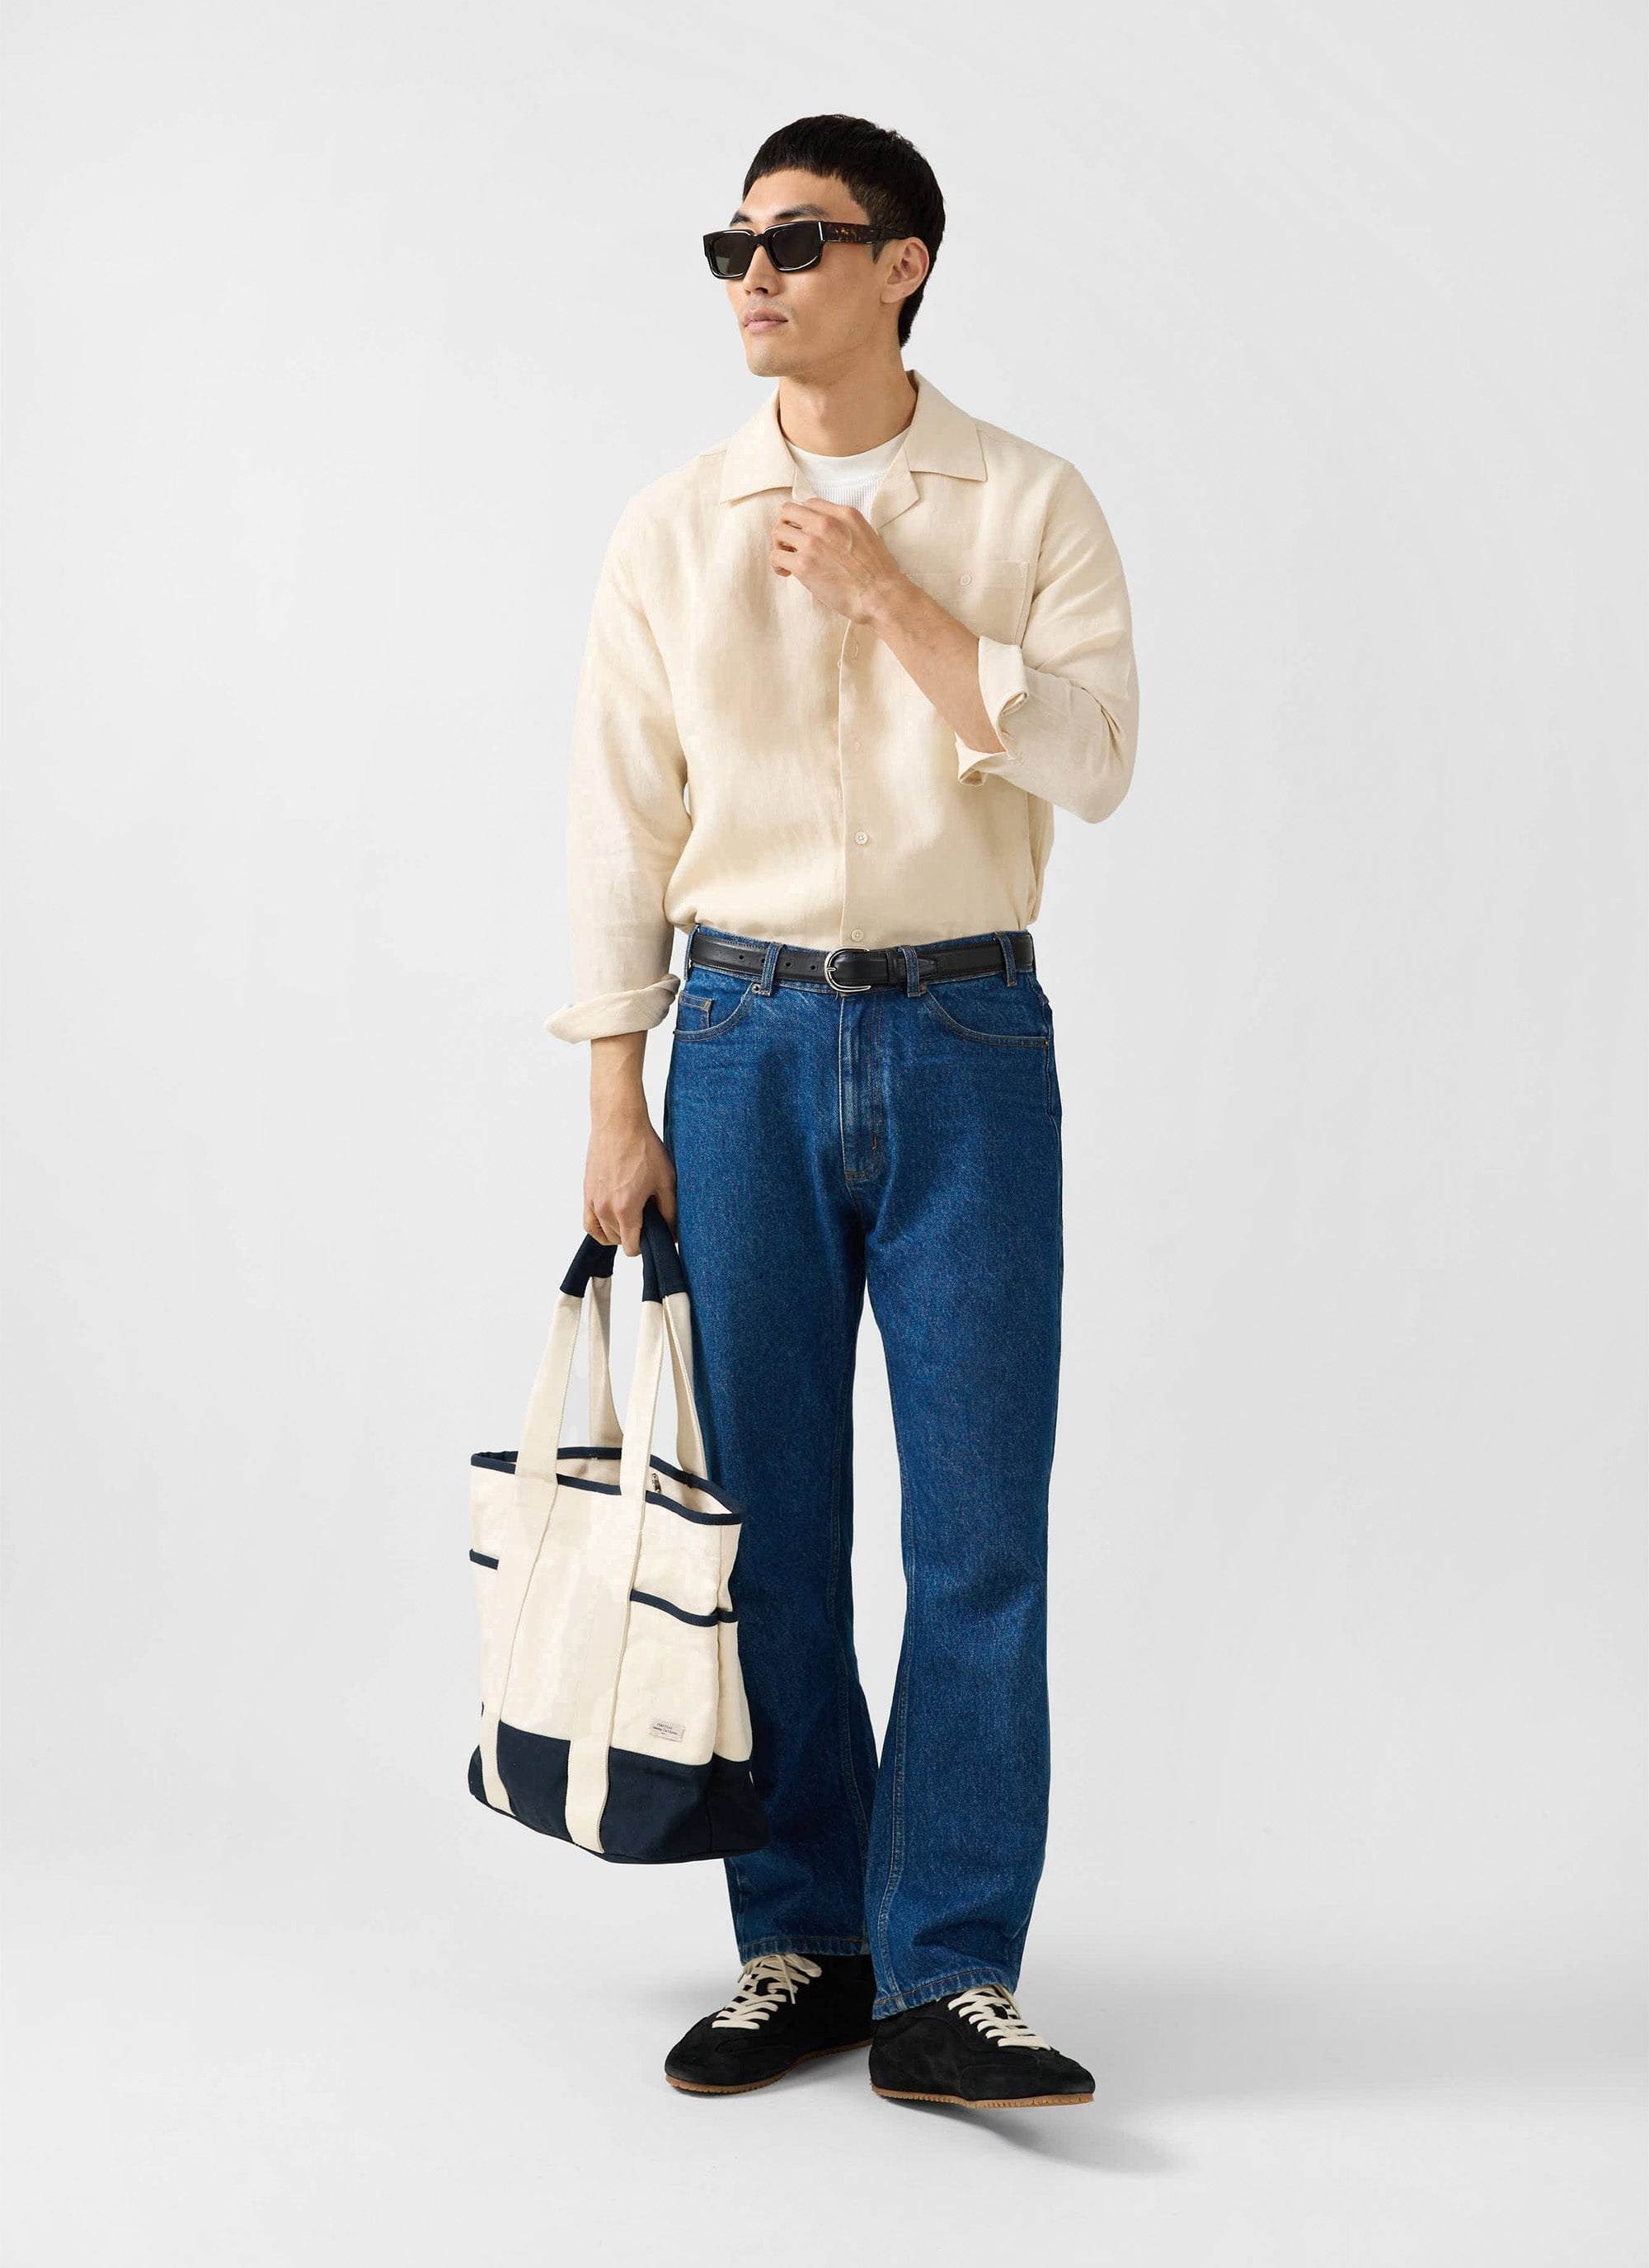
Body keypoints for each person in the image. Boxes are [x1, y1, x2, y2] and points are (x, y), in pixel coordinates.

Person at [544, 113, 1139, 2110]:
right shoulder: (670, 525)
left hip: (972, 1046)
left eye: (796, 241)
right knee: (770, 1529)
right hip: (739, 1044)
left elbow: (1096, 757)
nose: (753, 276)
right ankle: (805, 1936)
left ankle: (952, 1970)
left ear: (904, 264)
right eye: (730, 244)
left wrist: (894, 598)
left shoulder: (1026, 499)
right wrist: (615, 1095)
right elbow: (619, 826)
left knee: (979, 1530)